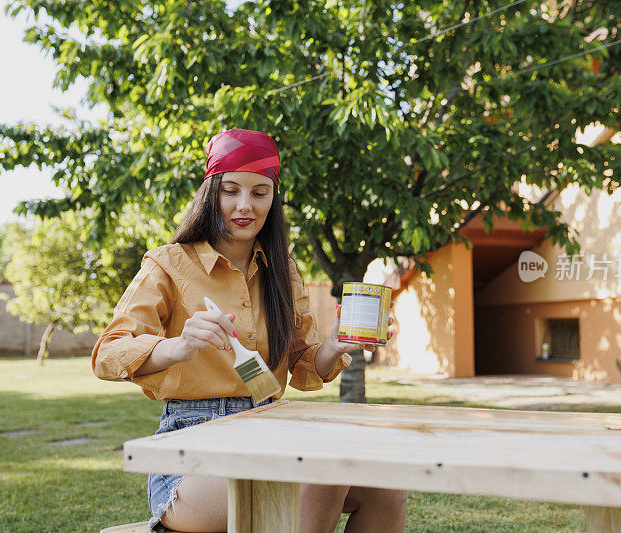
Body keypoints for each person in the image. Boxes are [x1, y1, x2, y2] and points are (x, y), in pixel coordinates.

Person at [91, 128, 407, 533]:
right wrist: (178, 345)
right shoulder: (168, 264)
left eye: (260, 192)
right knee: (318, 470)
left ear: (273, 198)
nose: (245, 205)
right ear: (211, 194)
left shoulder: (283, 271)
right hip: (191, 456)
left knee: (388, 490)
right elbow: (107, 353)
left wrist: (334, 344)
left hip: (272, 429)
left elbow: (303, 366)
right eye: (231, 191)